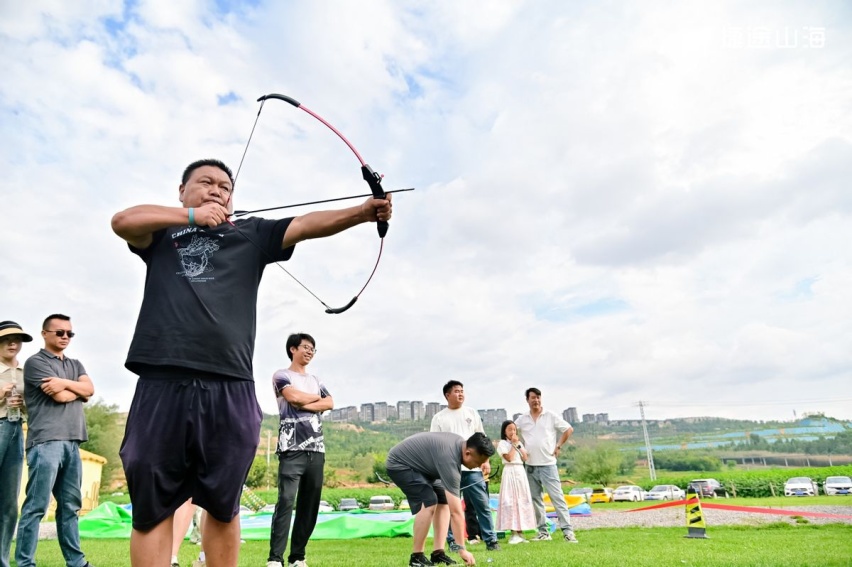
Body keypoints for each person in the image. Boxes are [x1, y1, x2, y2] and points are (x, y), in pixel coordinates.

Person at [112, 159, 391, 567]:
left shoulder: (249, 232)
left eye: (225, 187)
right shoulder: (162, 233)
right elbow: (123, 220)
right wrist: (192, 216)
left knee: (223, 503)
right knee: (152, 504)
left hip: (230, 383)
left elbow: (306, 224)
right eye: (205, 183)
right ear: (181, 190)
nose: (216, 191)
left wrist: (364, 212)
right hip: (161, 379)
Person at [16, 314, 95, 567]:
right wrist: (77, 391)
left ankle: (76, 562)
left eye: (69, 334)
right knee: (37, 507)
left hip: (73, 443)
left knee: (70, 507)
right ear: (45, 334)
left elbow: (90, 390)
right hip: (46, 442)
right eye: (59, 332)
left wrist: (63, 383)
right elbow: (61, 397)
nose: (64, 337)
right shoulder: (35, 363)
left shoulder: (76, 363)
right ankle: (26, 563)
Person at [267, 333, 333, 567]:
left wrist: (307, 400)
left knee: (310, 504)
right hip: (291, 447)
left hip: (316, 448)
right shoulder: (281, 375)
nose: (310, 352)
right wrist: (315, 399)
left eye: (313, 349)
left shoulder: (316, 378)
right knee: (285, 500)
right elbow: (292, 398)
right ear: (293, 349)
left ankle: (298, 557)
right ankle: (275, 558)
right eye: (306, 347)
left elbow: (330, 403)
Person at [386, 432, 495, 567]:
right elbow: (456, 513)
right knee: (429, 501)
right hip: (400, 464)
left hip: (423, 469)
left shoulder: (459, 447)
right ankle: (417, 557)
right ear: (467, 453)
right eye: (478, 462)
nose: (478, 467)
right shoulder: (449, 458)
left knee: (443, 499)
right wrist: (462, 550)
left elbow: (452, 506)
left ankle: (438, 553)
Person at [430, 381, 499, 552]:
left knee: (482, 504)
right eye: (456, 391)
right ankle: (453, 542)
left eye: (462, 391)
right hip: (450, 469)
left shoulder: (471, 413)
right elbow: (434, 444)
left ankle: (491, 540)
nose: (460, 394)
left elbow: (482, 439)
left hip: (473, 468)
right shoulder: (439, 418)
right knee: (448, 507)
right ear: (447, 395)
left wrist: (486, 461)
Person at [515, 387, 578, 543]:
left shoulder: (550, 416)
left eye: (538, 397)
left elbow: (568, 429)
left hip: (548, 464)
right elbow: (511, 433)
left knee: (557, 498)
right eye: (532, 398)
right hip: (530, 465)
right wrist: (520, 449)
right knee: (536, 500)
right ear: (527, 400)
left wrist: (558, 446)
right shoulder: (522, 419)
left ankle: (568, 532)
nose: (536, 400)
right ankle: (543, 532)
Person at [0, 321, 32, 567]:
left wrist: (23, 405)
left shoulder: (25, 374)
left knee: (9, 502)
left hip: (15, 431)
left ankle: (2, 560)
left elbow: (34, 411)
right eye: (7, 338)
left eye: (17, 339)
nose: (13, 343)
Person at [495, 420, 536, 544]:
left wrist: (518, 445)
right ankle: (513, 533)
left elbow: (525, 457)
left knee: (522, 500)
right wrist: (512, 445)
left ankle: (521, 532)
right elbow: (509, 457)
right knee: (510, 500)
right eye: (510, 430)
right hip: (509, 471)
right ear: (504, 432)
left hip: (520, 471)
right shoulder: (502, 443)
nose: (512, 432)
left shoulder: (519, 443)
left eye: (514, 429)